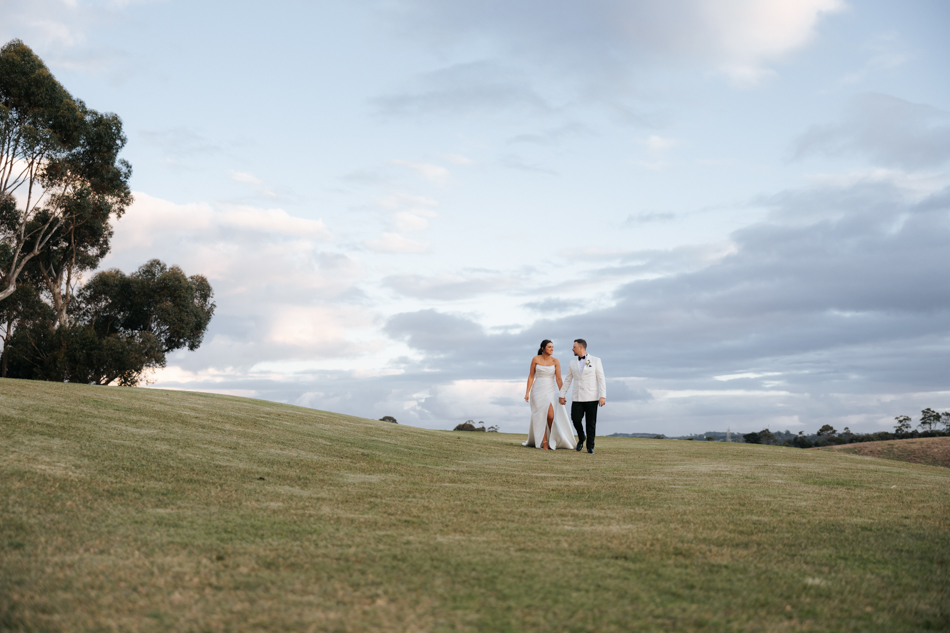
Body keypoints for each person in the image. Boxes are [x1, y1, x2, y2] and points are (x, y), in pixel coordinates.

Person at [522, 340, 576, 450]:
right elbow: (531, 376)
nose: (552, 349)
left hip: (551, 389)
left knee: (551, 416)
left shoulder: (555, 361)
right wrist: (527, 392)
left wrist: (562, 394)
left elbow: (559, 378)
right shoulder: (535, 359)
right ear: (543, 348)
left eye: (552, 347)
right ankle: (545, 443)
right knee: (540, 416)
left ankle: (553, 439)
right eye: (549, 347)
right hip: (537, 390)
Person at [559, 338, 606, 454]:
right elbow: (568, 380)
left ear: (581, 347)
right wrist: (561, 394)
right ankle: (581, 437)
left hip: (592, 397)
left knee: (591, 423)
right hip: (577, 397)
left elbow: (601, 379)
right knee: (575, 419)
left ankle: (590, 447)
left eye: (574, 347)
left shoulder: (596, 360)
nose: (572, 349)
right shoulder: (572, 363)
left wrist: (602, 396)